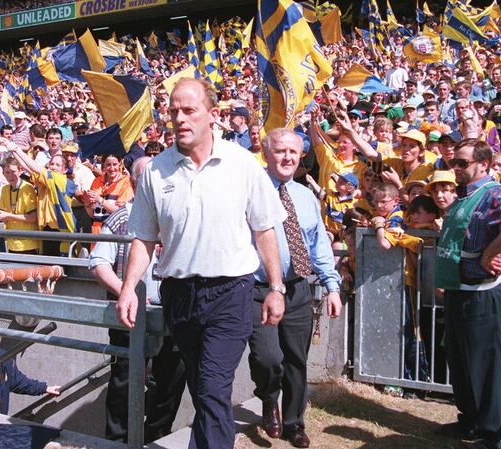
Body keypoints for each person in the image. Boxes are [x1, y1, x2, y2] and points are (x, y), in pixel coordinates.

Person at [116, 78, 287, 449]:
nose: (180, 118)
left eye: (189, 110)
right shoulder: (155, 171)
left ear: (212, 114)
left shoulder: (242, 164)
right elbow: (144, 238)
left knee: (211, 387)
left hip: (231, 292)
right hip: (179, 294)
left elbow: (265, 230)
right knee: (203, 389)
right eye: (173, 111)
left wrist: (276, 287)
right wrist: (129, 287)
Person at [434, 139, 501, 449]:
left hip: (483, 293)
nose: (456, 168)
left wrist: (490, 252)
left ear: (484, 164)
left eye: (462, 163)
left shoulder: (494, 193)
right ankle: (470, 419)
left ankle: (490, 434)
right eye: (454, 162)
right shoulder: (465, 195)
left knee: (485, 364)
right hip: (458, 289)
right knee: (461, 360)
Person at [247, 128, 342, 447]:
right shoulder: (250, 192)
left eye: (293, 152)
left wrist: (331, 285)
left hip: (298, 288)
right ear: (266, 153)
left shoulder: (305, 196)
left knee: (296, 360)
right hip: (258, 290)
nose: (287, 157)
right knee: (267, 358)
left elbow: (318, 244)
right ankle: (268, 397)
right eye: (280, 151)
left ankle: (294, 423)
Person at [89, 156, 187, 443]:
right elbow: (98, 263)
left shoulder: (178, 214)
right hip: (131, 314)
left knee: (173, 376)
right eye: (146, 177)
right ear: (132, 182)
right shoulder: (121, 218)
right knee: (125, 380)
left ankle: (157, 434)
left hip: (172, 311)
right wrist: (126, 291)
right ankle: (117, 441)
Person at [0, 157, 39, 254]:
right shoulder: (5, 189)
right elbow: (3, 213)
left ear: (20, 171)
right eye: (7, 172)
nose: (10, 176)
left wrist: (8, 215)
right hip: (11, 243)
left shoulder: (27, 188)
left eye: (13, 172)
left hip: (28, 243)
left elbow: (32, 218)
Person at [87, 154, 134, 234]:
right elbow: (93, 214)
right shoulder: (97, 181)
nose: (112, 168)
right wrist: (88, 204)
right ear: (104, 166)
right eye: (108, 165)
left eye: (115, 164)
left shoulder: (126, 181)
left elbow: (120, 212)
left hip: (116, 231)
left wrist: (100, 200)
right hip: (97, 231)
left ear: (120, 164)